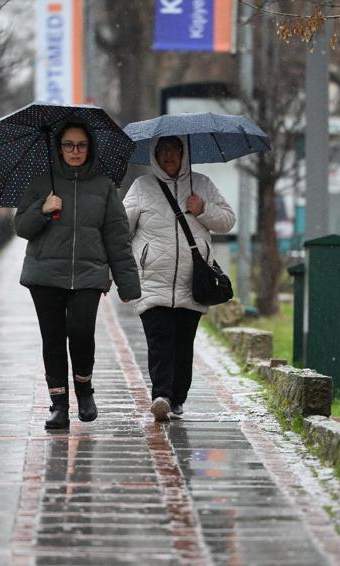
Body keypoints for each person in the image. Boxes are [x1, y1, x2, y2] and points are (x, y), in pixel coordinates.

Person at [15, 119, 141, 430]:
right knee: (54, 338)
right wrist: (42, 210)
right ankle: (59, 405)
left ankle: (84, 390)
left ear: (90, 148)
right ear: (59, 148)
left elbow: (117, 237)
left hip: (88, 274)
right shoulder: (41, 182)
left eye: (81, 145)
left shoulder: (104, 187)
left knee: (82, 333)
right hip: (45, 274)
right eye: (69, 145)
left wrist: (128, 283)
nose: (75, 151)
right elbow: (21, 228)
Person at [123, 135, 236, 421]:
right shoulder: (142, 187)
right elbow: (122, 228)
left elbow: (227, 221)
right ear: (154, 154)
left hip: (193, 282)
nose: (168, 155)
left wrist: (203, 210)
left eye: (174, 149)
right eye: (162, 150)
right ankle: (161, 395)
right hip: (152, 281)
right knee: (160, 340)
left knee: (183, 345)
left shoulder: (202, 184)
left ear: (184, 153)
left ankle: (177, 398)